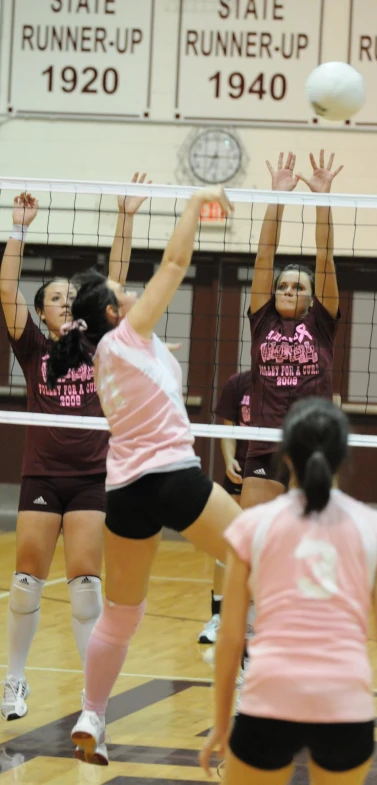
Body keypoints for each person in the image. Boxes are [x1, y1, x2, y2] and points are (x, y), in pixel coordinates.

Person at [44, 186, 241, 766]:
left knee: (122, 614)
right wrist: (195, 202)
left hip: (125, 492)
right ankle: (249, 714)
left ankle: (92, 716)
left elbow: (114, 290)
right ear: (114, 314)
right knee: (263, 557)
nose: (134, 293)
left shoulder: (110, 348)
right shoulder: (129, 336)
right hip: (173, 477)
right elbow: (176, 263)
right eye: (126, 295)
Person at [200, 398, 377, 785]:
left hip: (270, 700)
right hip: (345, 707)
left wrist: (219, 725)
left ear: (286, 456)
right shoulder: (376, 528)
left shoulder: (252, 526)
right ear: (343, 456)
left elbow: (230, 636)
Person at [0, 173, 150, 721]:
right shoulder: (34, 345)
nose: (65, 302)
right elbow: (6, 288)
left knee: (87, 587)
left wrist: (126, 216)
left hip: (91, 478)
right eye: (56, 298)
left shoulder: (98, 342)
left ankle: (95, 703)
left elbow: (114, 280)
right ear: (43, 312)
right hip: (41, 475)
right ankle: (14, 682)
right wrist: (17, 230)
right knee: (24, 584)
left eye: (70, 297)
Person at [241, 150, 342, 512]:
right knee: (252, 537)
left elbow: (325, 255)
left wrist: (322, 200)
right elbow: (264, 255)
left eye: (298, 287)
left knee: (311, 533)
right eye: (283, 285)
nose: (287, 290)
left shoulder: (321, 322)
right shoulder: (262, 319)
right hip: (265, 441)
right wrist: (278, 198)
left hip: (312, 441)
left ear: (312, 296)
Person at [199, 369, 251, 645]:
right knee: (229, 544)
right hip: (241, 472)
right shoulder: (239, 384)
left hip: (273, 473)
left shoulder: (290, 381)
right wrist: (229, 459)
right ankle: (218, 617)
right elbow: (227, 430)